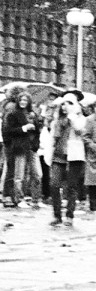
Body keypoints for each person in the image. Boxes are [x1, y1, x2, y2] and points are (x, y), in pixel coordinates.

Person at [48, 93, 85, 226]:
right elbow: (52, 137)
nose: (65, 106)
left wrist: (72, 116)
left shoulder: (80, 118)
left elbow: (80, 129)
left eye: (68, 103)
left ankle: (69, 215)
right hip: (58, 156)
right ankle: (57, 215)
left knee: (71, 187)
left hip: (74, 157)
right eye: (63, 103)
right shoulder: (57, 120)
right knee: (54, 185)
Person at [3, 92, 40, 208]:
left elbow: (38, 131)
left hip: (32, 147)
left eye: (25, 100)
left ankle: (35, 199)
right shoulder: (13, 114)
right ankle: (18, 199)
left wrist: (36, 128)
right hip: (19, 147)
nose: (23, 102)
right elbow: (9, 131)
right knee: (19, 175)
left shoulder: (32, 114)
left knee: (37, 174)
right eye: (21, 100)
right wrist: (24, 128)